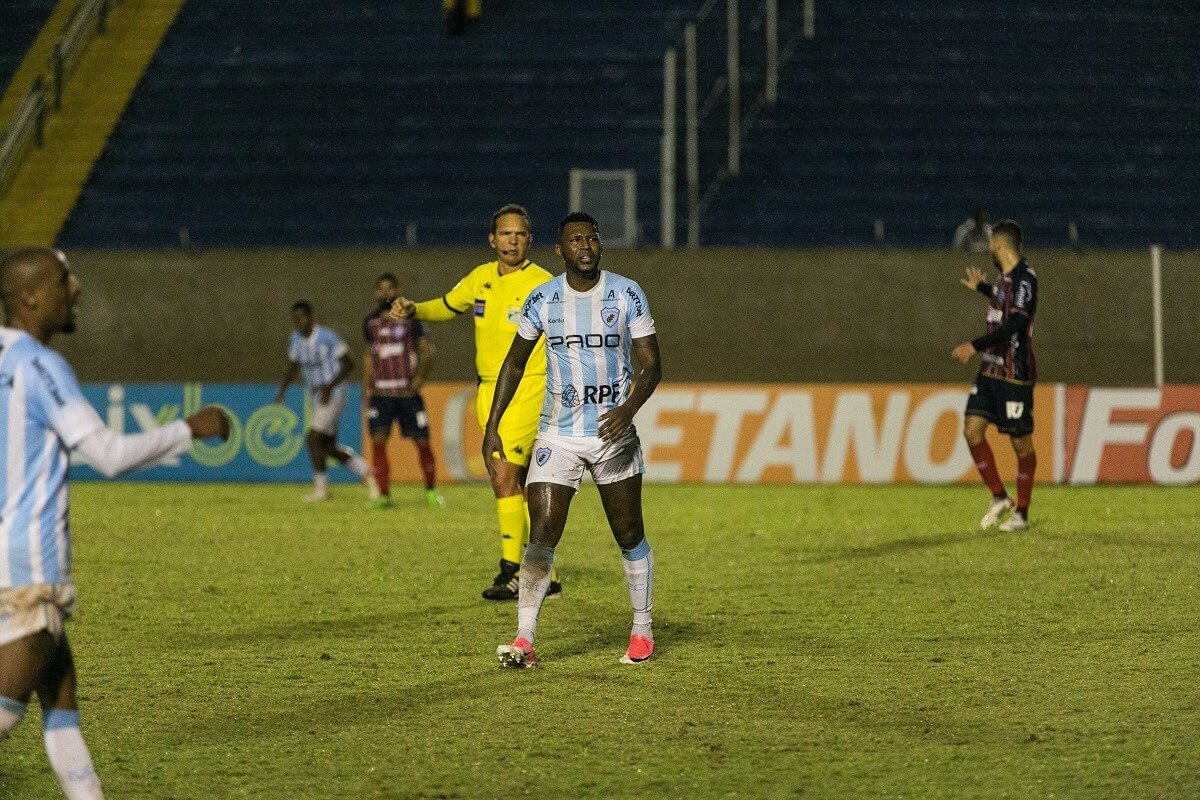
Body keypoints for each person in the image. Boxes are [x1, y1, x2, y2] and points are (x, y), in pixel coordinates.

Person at [0, 247, 230, 799]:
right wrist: (189, 429)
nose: (75, 288)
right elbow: (106, 453)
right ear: (30, 298)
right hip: (28, 577)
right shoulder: (37, 365)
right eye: (63, 281)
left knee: (62, 711)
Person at [483, 212, 662, 668]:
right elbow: (514, 363)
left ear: (601, 246)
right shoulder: (542, 299)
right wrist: (492, 426)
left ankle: (642, 629)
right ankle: (524, 639)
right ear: (559, 251)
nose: (584, 245)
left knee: (628, 532)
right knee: (541, 532)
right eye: (574, 239)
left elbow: (651, 365)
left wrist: (628, 410)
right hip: (557, 435)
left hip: (611, 436)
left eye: (591, 238)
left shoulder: (626, 293)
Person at [390, 204, 560, 600]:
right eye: (505, 233)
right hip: (489, 390)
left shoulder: (543, 283)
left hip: (528, 388)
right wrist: (415, 309)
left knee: (503, 474)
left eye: (519, 234)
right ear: (492, 239)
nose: (512, 240)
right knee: (516, 480)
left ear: (529, 240)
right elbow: (448, 306)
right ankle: (543, 575)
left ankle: (513, 569)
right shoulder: (481, 278)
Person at [953, 219, 1038, 532]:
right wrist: (984, 289)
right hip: (990, 370)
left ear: (1000, 245)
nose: (988, 248)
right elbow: (1004, 305)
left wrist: (973, 345)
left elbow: (1015, 323)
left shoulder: (1025, 277)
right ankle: (1000, 497)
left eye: (991, 244)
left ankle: (1023, 514)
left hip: (1014, 373)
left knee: (1021, 445)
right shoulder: (1004, 280)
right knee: (972, 430)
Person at [275, 300, 372, 501]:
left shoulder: (327, 337)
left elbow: (349, 362)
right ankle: (367, 472)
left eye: (302, 317)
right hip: (317, 396)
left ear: (310, 317)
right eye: (295, 318)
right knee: (327, 447)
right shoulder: (295, 340)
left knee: (312, 439)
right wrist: (282, 389)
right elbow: (293, 365)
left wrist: (329, 386)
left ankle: (321, 489)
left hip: (333, 393)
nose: (299, 321)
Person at [363, 272, 443, 509]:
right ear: (376, 292)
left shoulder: (412, 321)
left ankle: (431, 492)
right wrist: (367, 383)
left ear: (396, 290)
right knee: (378, 442)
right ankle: (384, 495)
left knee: (422, 442)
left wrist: (420, 377)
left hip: (408, 395)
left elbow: (428, 351)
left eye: (389, 288)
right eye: (381, 289)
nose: (385, 293)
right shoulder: (370, 322)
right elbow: (368, 355)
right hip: (381, 395)